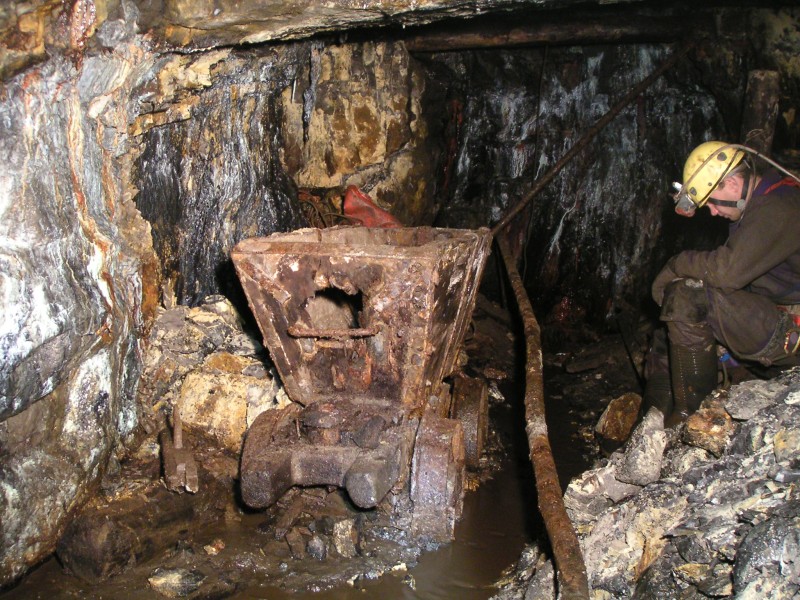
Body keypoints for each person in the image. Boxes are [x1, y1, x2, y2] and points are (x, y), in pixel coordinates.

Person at [644, 140, 800, 426]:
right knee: (670, 321)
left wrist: (675, 265)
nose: (713, 212)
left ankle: (687, 421)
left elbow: (726, 272)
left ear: (730, 182)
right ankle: (650, 424)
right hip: (774, 314)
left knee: (686, 299)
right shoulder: (760, 206)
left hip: (792, 327)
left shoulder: (780, 208)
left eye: (712, 202)